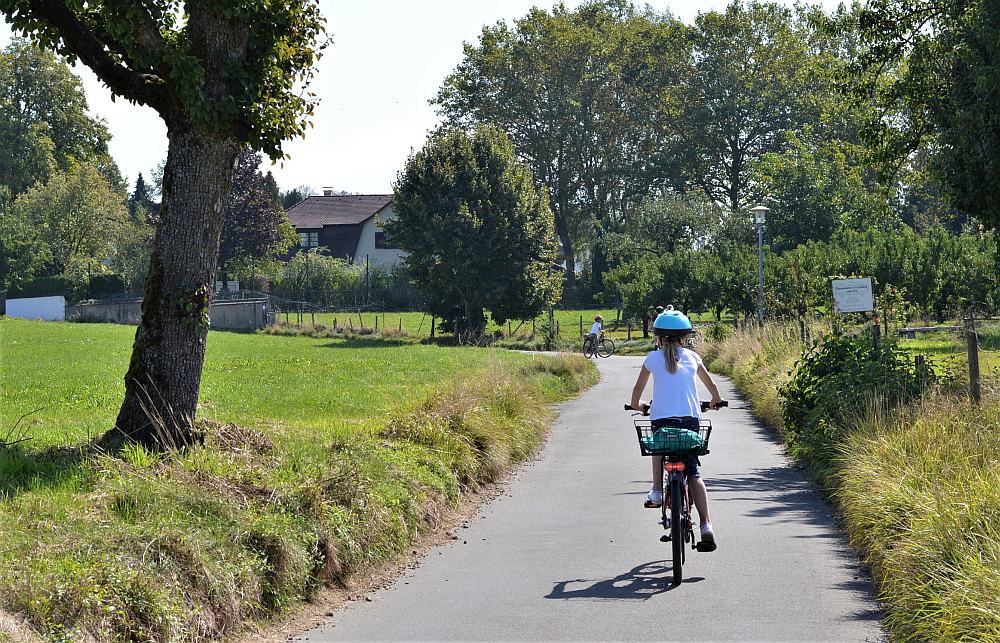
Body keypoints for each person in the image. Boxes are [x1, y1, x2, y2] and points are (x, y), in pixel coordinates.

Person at [629, 307, 723, 549]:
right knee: (693, 473)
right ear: (685, 337)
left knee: (658, 446)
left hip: (661, 419)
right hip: (691, 422)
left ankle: (656, 491)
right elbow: (712, 387)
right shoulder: (693, 358)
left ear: (658, 337)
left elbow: (635, 395)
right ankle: (706, 525)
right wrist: (715, 401)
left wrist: (639, 407)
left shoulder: (652, 358)